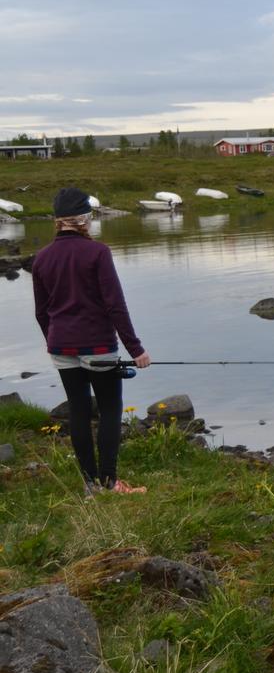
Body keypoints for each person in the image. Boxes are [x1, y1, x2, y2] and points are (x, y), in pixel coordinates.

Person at [31, 187, 151, 496]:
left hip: (60, 347)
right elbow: (115, 305)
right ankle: (109, 483)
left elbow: (41, 313)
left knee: (79, 411)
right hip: (97, 346)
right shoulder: (98, 252)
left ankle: (90, 485)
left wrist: (54, 341)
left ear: (58, 221)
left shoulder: (42, 258)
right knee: (110, 410)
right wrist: (135, 349)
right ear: (85, 218)